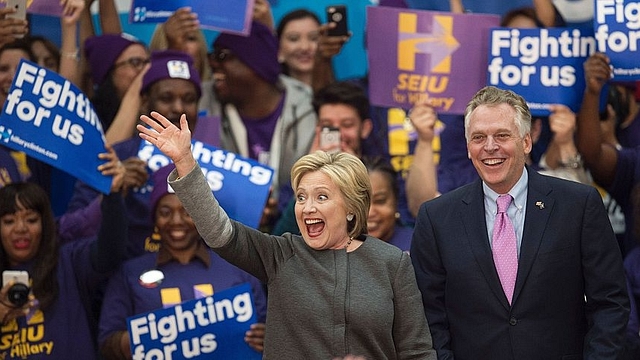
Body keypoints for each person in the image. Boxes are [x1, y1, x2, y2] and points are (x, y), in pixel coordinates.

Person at [137, 111, 437, 359]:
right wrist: (186, 163)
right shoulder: (279, 254)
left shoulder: (392, 263)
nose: (307, 208)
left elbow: (418, 351)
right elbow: (218, 230)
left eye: (321, 197)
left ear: (350, 208)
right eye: (301, 197)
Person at [411, 86, 629, 359]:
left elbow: (610, 303)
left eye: (502, 135)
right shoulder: (436, 218)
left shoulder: (578, 205)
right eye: (479, 137)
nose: (490, 147)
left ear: (526, 142)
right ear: (468, 148)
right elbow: (429, 317)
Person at [98, 164, 268, 359]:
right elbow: (107, 343)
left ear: (202, 215)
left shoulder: (239, 266)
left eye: (187, 212)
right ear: (154, 219)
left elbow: (269, 328)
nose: (176, 221)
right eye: (165, 212)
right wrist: (149, 338)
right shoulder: (129, 273)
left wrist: (267, 337)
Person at [63, 50, 201, 257]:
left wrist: (258, 214)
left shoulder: (219, 163)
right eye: (166, 98)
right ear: (145, 101)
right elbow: (69, 231)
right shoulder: (113, 157)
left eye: (189, 99)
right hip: (123, 279)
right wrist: (113, 192)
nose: (178, 108)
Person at [0, 148, 126, 359]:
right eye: (9, 221)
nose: (20, 229)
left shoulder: (69, 261)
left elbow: (110, 252)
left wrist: (113, 194)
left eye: (31, 220)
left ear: (46, 225)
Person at [199, 20, 317, 229]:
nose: (213, 63)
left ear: (255, 64)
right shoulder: (203, 102)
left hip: (294, 233)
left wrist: (277, 208)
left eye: (222, 55)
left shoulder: (308, 109)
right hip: (226, 235)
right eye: (211, 55)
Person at [362, 156, 413, 251]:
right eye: (361, 202)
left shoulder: (417, 246)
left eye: (380, 201)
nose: (370, 213)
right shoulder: (335, 251)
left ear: (396, 200)